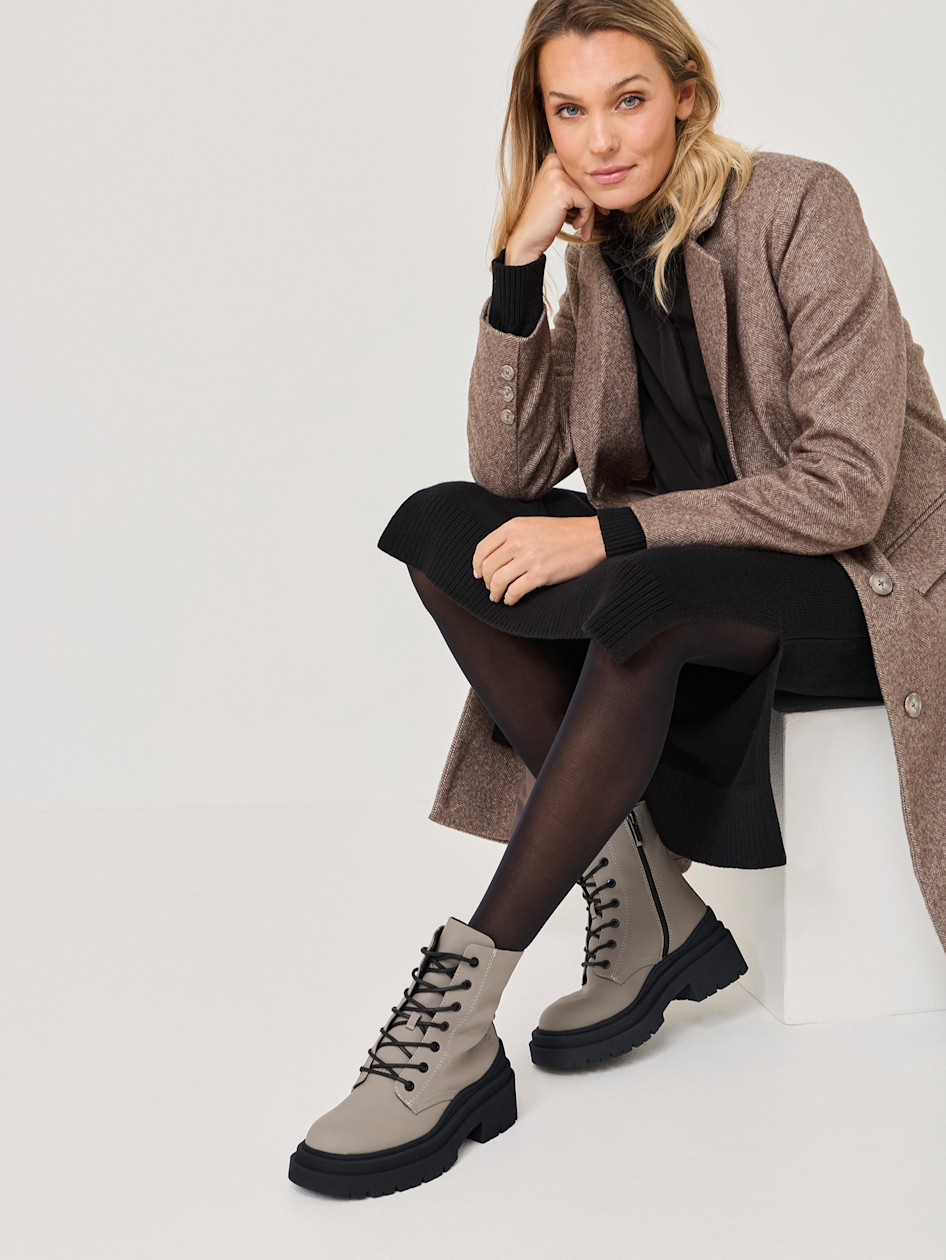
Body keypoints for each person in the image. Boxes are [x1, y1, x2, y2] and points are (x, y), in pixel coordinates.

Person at [288, 0, 946, 1199]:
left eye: (627, 99)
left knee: (638, 598)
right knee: (439, 524)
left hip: (867, 583)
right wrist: (515, 269)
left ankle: (461, 1006)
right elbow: (508, 474)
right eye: (568, 109)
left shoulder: (802, 205)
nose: (600, 138)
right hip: (691, 567)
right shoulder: (598, 248)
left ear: (687, 91)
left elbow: (848, 491)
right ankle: (643, 898)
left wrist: (616, 532)